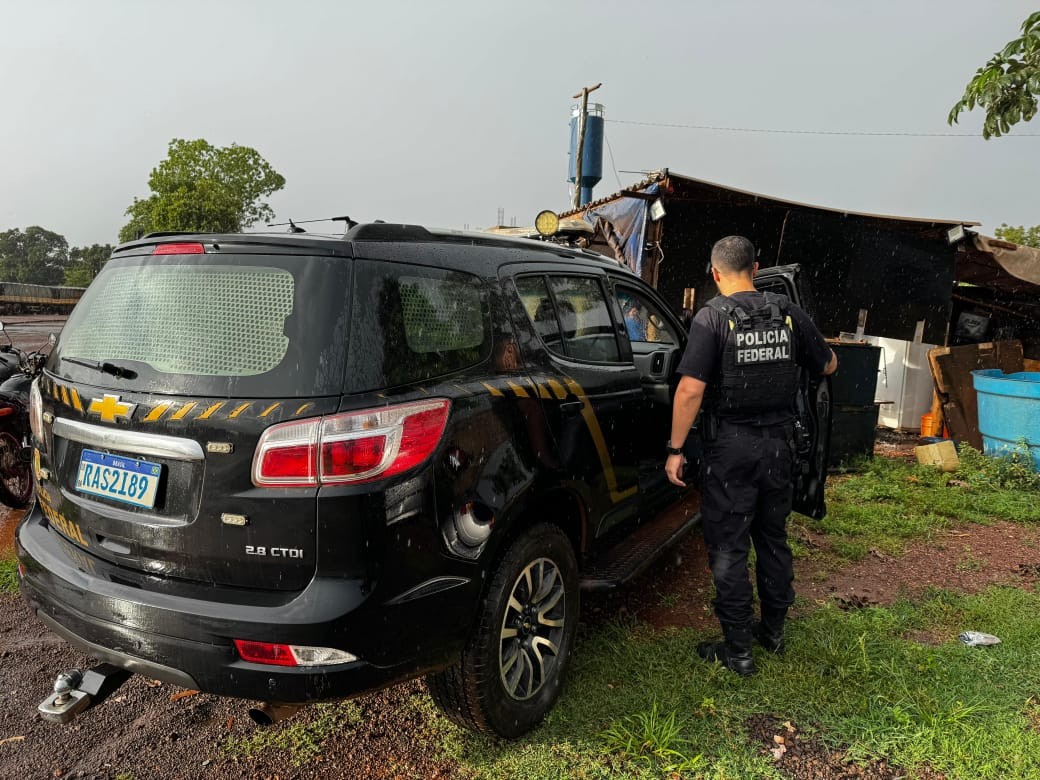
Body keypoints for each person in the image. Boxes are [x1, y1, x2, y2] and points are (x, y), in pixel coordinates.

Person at [665, 236, 837, 676]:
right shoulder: (789, 313)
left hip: (731, 449)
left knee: (729, 547)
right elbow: (830, 366)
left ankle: (738, 649)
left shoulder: (712, 317)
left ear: (715, 272)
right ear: (756, 268)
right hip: (781, 447)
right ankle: (773, 631)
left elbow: (690, 390)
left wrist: (675, 449)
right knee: (772, 538)